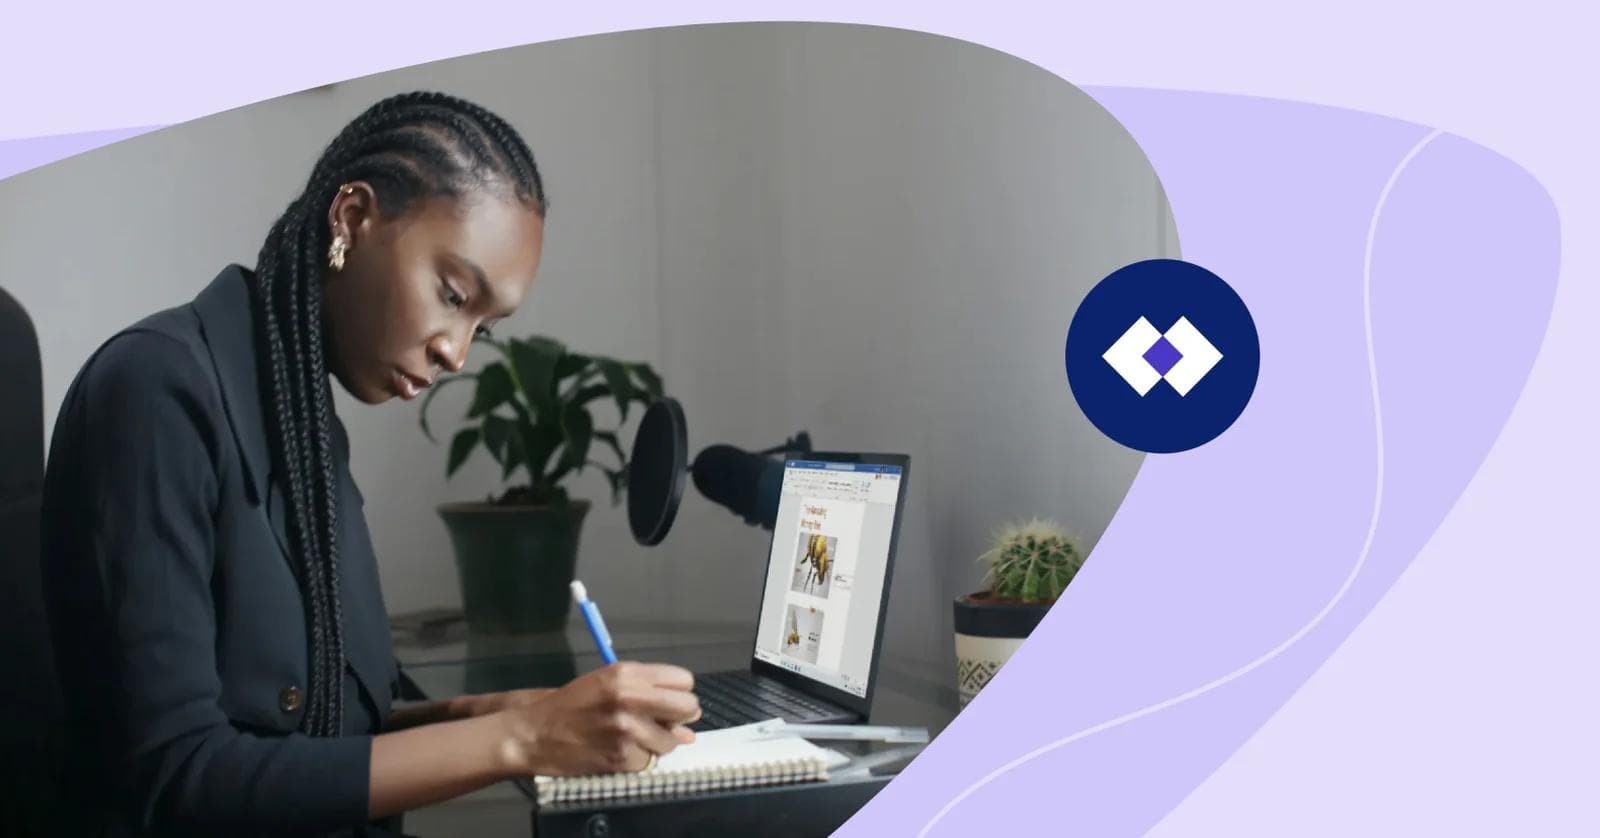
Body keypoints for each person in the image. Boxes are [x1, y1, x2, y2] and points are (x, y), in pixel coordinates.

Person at [38, 91, 701, 837]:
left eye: (483, 326)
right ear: (352, 219)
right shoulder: (157, 392)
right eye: (453, 295)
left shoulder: (304, 421)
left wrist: (506, 713)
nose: (456, 350)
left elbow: (332, 729)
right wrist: (523, 738)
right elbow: (181, 776)